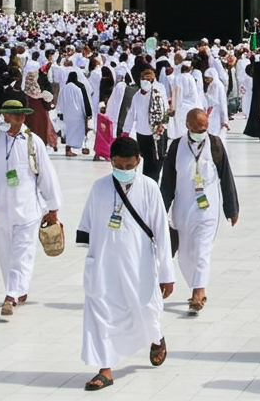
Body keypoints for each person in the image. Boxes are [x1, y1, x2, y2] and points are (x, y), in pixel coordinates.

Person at [76, 136, 175, 391]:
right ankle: (105, 369)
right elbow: (87, 227)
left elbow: (162, 234)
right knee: (101, 314)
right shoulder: (99, 188)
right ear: (111, 162)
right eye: (118, 166)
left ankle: (155, 338)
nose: (124, 170)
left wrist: (167, 273)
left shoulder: (150, 188)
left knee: (145, 309)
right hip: (104, 268)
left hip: (138, 266)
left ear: (138, 161)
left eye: (129, 166)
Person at [0, 99, 62, 317]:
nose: (3, 119)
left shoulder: (33, 143)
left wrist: (52, 207)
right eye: (2, 115)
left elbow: (46, 176)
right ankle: (17, 289)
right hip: (0, 210)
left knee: (23, 254)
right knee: (5, 255)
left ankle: (11, 295)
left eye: (8, 116)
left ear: (21, 118)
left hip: (28, 210)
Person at [160, 107, 240, 314]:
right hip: (182, 211)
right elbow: (167, 182)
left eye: (204, 127)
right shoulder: (177, 146)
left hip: (208, 211)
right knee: (185, 256)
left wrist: (231, 208)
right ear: (187, 125)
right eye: (196, 127)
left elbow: (226, 176)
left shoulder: (215, 144)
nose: (200, 131)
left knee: (202, 251)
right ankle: (196, 286)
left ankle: (198, 291)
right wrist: (161, 209)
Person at [123, 66, 169, 183]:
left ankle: (153, 181)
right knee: (147, 159)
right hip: (142, 132)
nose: (145, 82)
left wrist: (162, 125)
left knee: (157, 159)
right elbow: (131, 113)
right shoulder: (137, 95)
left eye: (148, 80)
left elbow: (165, 110)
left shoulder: (158, 93)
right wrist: (126, 130)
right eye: (143, 80)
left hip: (156, 132)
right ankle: (146, 181)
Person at [60, 69, 92, 157]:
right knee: (77, 132)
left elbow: (60, 101)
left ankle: (68, 149)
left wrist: (60, 113)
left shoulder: (65, 87)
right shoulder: (80, 87)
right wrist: (88, 113)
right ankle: (71, 149)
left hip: (67, 114)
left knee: (69, 132)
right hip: (78, 114)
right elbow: (85, 101)